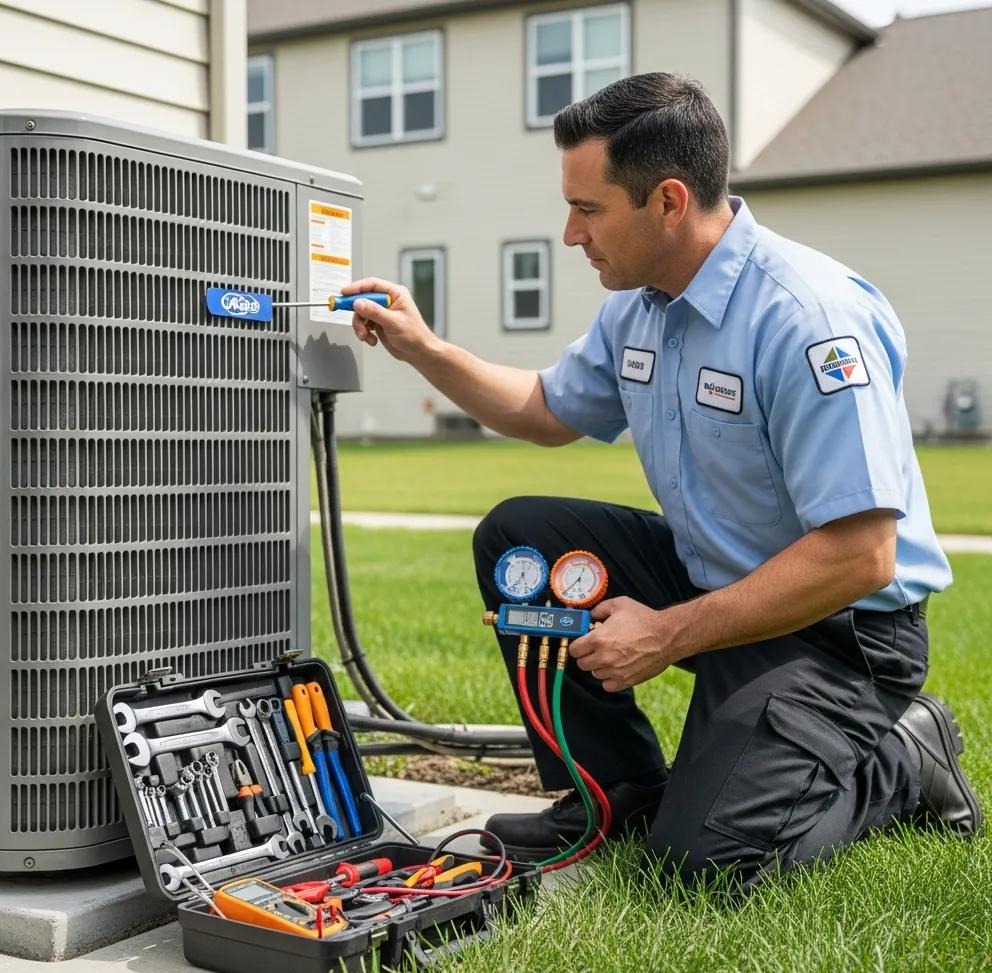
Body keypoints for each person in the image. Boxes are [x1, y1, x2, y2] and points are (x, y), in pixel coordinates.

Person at [343, 73, 982, 891]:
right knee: (522, 536)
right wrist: (424, 349)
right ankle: (613, 796)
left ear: (669, 202)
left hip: (841, 632)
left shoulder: (808, 318)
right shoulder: (640, 307)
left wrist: (669, 633)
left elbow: (860, 557)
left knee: (704, 868)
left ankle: (902, 756)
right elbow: (545, 409)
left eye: (589, 209)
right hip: (720, 581)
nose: (570, 234)